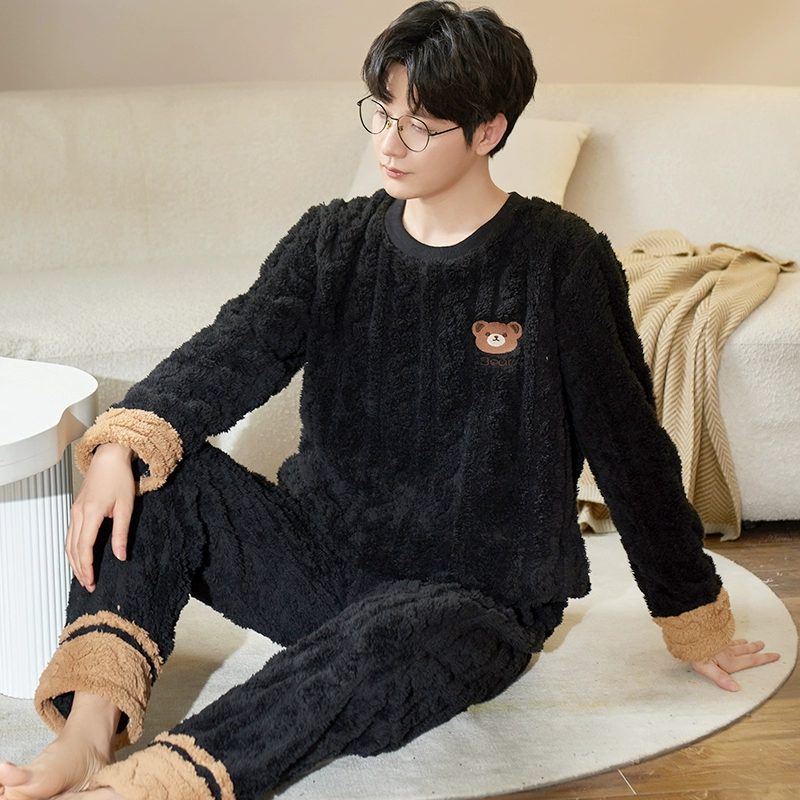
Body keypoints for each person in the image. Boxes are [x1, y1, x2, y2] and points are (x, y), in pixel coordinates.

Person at [0, 3, 779, 799]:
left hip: (476, 599)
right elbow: (232, 350)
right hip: (322, 562)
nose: (389, 143)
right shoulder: (332, 241)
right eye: (383, 112)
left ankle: (169, 779)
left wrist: (693, 616)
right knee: (153, 472)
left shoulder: (562, 260)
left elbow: (630, 448)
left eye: (421, 125)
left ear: (488, 131)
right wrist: (124, 446)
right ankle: (87, 739)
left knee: (384, 641)